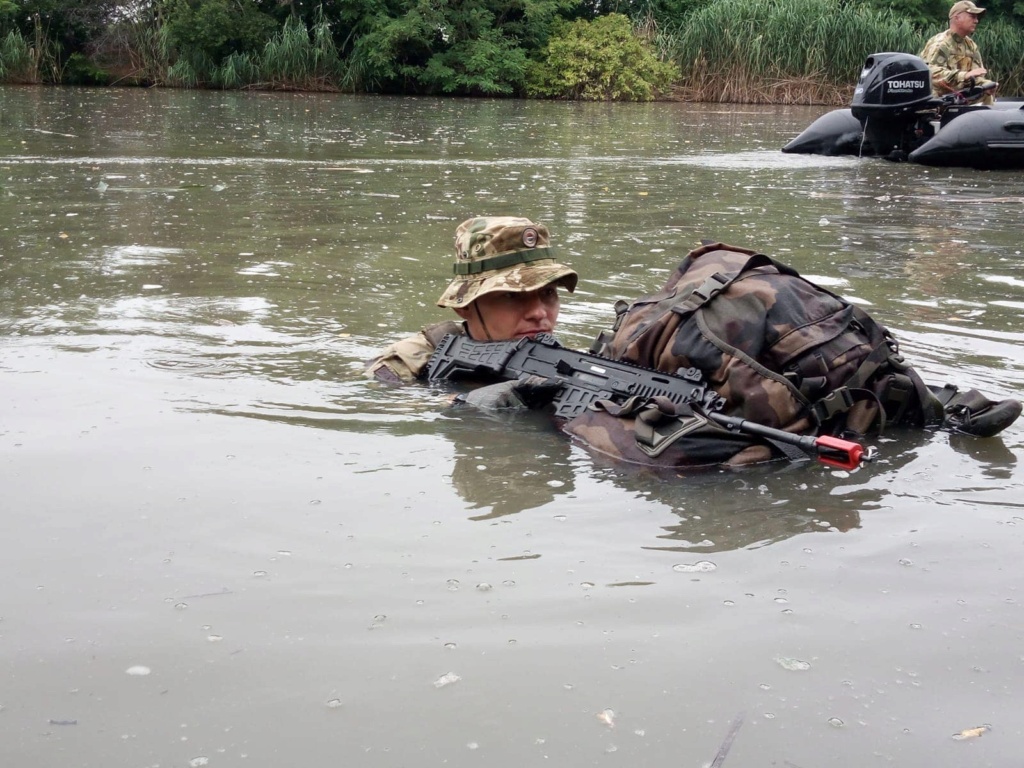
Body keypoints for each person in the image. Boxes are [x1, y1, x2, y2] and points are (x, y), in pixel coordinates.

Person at [368, 217, 1020, 466]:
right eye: (519, 298)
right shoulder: (422, 354)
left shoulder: (574, 349)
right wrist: (485, 405)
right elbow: (390, 398)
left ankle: (907, 403)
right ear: (472, 302)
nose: (540, 311)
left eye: (550, 294)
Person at [366, 215, 578, 407]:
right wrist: (464, 403)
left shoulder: (568, 364)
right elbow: (372, 402)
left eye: (548, 292)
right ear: (464, 306)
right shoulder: (411, 362)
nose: (539, 313)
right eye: (511, 295)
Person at [920, 1, 997, 105]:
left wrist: (986, 84)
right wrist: (963, 76)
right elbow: (930, 73)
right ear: (957, 18)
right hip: (939, 100)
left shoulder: (971, 45)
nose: (976, 21)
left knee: (986, 94)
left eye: (977, 17)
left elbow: (976, 75)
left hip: (959, 97)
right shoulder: (941, 43)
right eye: (972, 16)